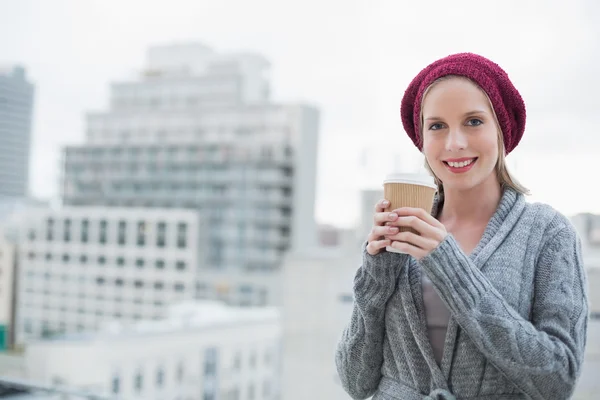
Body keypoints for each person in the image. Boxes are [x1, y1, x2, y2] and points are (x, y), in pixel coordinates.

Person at [335, 53, 589, 400]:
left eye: (473, 121)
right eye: (437, 126)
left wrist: (449, 265)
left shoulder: (548, 233)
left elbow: (558, 381)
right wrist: (376, 274)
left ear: (501, 129)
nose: (455, 142)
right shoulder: (400, 233)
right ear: (422, 139)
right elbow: (355, 381)